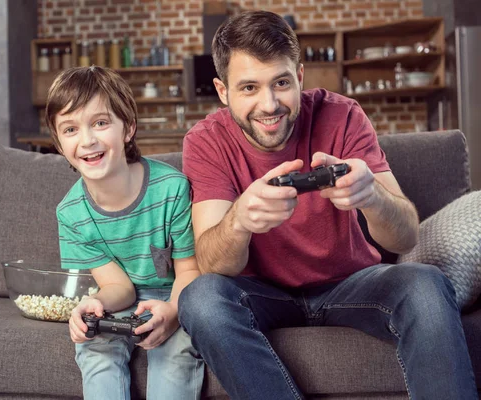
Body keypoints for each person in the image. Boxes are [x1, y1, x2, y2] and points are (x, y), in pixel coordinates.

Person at [177, 10, 477, 400]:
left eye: (281, 83)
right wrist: (239, 221)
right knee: (199, 299)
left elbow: (404, 237)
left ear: (299, 76)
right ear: (223, 91)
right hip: (260, 292)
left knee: (425, 284)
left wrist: (372, 197)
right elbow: (214, 265)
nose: (269, 105)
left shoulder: (343, 115)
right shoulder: (205, 141)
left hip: (350, 283)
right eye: (249, 88)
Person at [45, 66, 204, 400]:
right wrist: (95, 302)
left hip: (177, 292)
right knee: (96, 350)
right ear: (59, 143)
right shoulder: (71, 213)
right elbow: (119, 286)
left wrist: (174, 312)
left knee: (174, 355)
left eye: (100, 123)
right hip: (124, 301)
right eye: (70, 129)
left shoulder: (171, 189)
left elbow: (189, 270)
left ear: (128, 128)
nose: (87, 140)